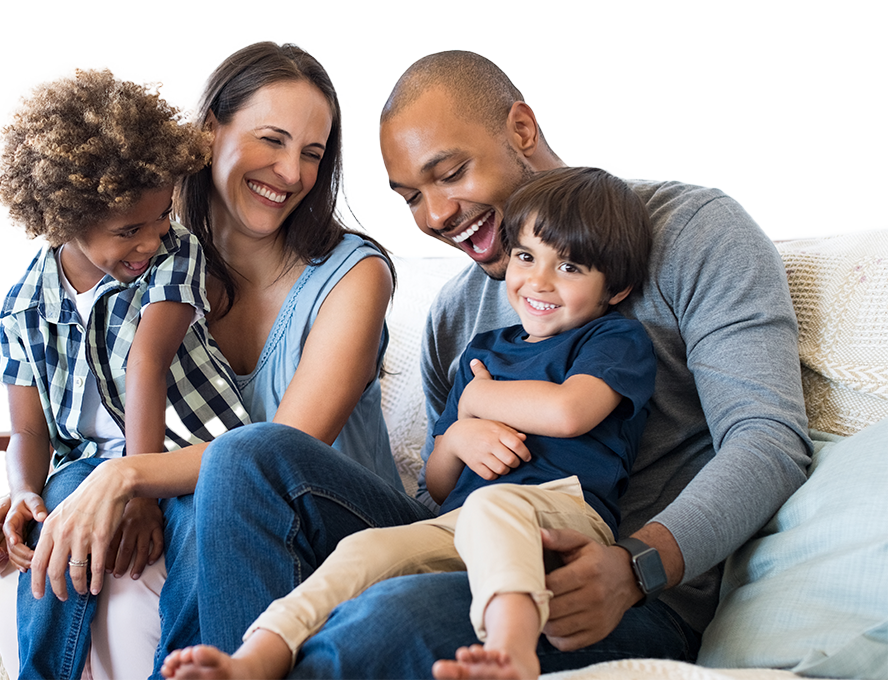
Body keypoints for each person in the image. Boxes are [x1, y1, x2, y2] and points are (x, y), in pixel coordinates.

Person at [162, 49, 812, 680]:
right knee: (243, 455)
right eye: (411, 196)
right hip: (464, 541)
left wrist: (636, 565)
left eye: (450, 173)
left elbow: (768, 439)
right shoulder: (456, 314)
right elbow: (442, 497)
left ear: (522, 130)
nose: (437, 215)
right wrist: (455, 435)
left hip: (611, 584)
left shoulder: (694, 231)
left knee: (382, 619)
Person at [0, 42, 414, 680]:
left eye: (312, 153)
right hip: (210, 506)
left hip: (328, 526)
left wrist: (125, 477)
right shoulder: (146, 264)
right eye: (271, 141)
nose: (291, 172)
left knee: (223, 484)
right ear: (207, 134)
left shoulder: (352, 276)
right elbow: (68, 412)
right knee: (76, 522)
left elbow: (280, 453)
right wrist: (26, 503)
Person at [160, 166, 658, 680]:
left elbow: (569, 411)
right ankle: (257, 656)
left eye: (570, 268)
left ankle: (513, 651)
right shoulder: (484, 351)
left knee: (493, 504)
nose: (538, 281)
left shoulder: (612, 340)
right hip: (458, 522)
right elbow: (440, 485)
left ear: (615, 288)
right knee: (365, 549)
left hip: (564, 516)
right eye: (526, 256)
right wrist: (460, 433)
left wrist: (479, 399)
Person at [0, 64, 250, 680]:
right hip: (87, 463)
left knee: (199, 534)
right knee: (57, 521)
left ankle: (185, 669)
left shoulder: (173, 253)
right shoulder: (23, 308)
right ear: (63, 220)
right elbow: (29, 432)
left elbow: (147, 365)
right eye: (128, 230)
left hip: (194, 450)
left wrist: (138, 487)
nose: (150, 238)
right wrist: (25, 493)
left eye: (160, 216)